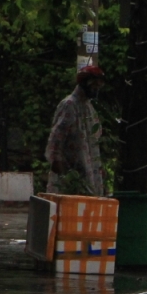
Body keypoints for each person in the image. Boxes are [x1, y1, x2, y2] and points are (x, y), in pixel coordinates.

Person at [45, 64, 106, 196]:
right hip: (71, 172)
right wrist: (57, 162)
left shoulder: (89, 108)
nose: (97, 89)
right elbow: (57, 137)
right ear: (85, 83)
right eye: (94, 85)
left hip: (88, 172)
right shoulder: (69, 105)